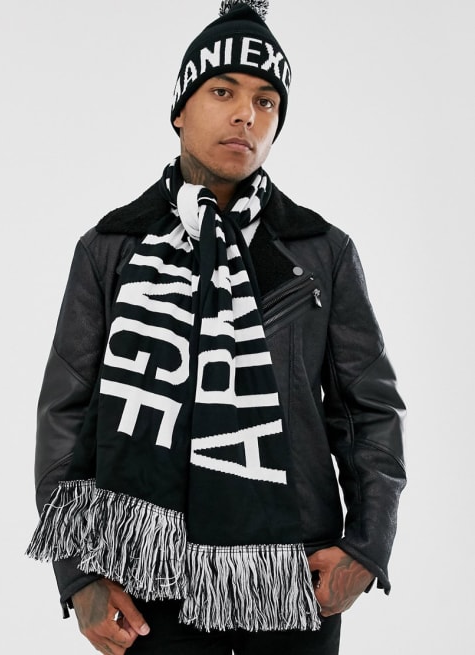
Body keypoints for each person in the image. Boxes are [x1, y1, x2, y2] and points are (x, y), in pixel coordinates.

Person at [27, 2, 406, 654]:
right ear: (181, 108)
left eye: (265, 101)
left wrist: (365, 549)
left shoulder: (321, 250)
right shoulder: (112, 247)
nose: (245, 115)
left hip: (291, 574)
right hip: (147, 577)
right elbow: (67, 415)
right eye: (223, 92)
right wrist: (79, 575)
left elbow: (367, 412)